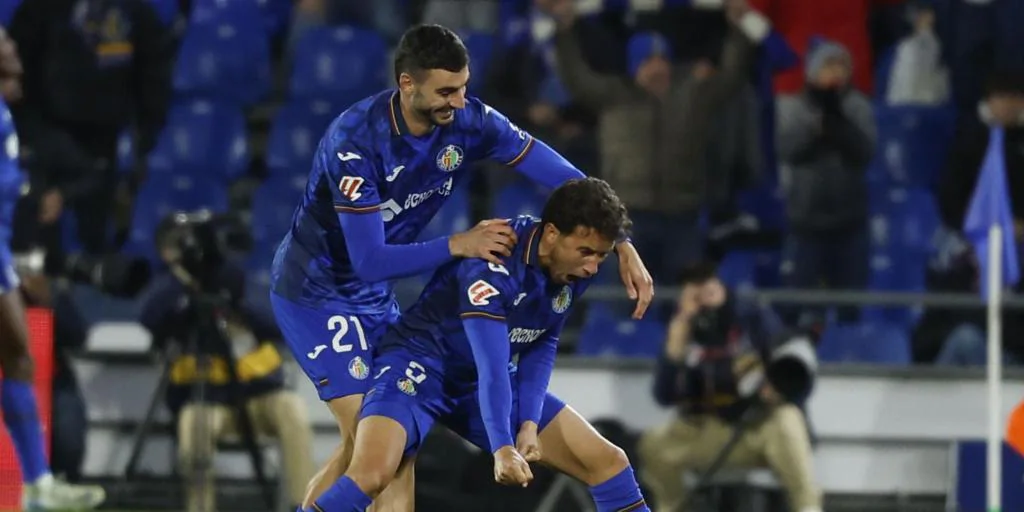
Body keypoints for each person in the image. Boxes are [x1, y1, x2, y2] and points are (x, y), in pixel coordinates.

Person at [268, 24, 654, 512]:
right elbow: (368, 262)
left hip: (377, 296)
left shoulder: (469, 120)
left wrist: (620, 240)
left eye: (465, 86)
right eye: (446, 90)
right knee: (379, 454)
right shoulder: (355, 142)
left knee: (371, 453)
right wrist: (458, 244)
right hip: (317, 293)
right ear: (407, 84)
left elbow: (560, 178)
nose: (460, 100)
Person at [317, 177, 649, 512]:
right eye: (586, 252)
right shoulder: (494, 262)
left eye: (601, 256)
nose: (593, 266)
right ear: (551, 234)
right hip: (420, 365)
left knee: (609, 463)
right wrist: (503, 447)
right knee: (372, 475)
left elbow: (540, 344)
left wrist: (530, 424)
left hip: (477, 383)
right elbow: (492, 365)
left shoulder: (573, 269)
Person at [0, 26, 106, 510]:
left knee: (19, 355)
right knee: (18, 353)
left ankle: (39, 483)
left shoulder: (8, 116)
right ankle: (38, 482)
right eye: (8, 46)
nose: (17, 54)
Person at [638, 262, 821, 512]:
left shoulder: (752, 317)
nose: (704, 290)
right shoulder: (684, 328)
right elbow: (663, 396)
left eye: (708, 281)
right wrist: (674, 348)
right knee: (653, 444)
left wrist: (776, 385)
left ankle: (808, 507)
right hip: (706, 429)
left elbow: (796, 367)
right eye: (695, 286)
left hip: (757, 426)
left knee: (788, 418)